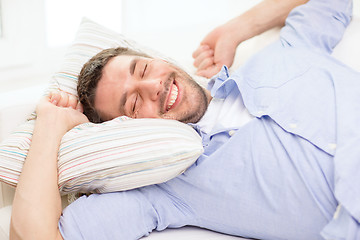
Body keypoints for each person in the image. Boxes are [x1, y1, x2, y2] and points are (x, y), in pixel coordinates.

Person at [9, 0, 359, 240]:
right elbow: (35, 234)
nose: (152, 87)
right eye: (132, 104)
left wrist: (238, 28)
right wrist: (50, 123)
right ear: (127, 128)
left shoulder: (281, 54)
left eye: (143, 69)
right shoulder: (168, 190)